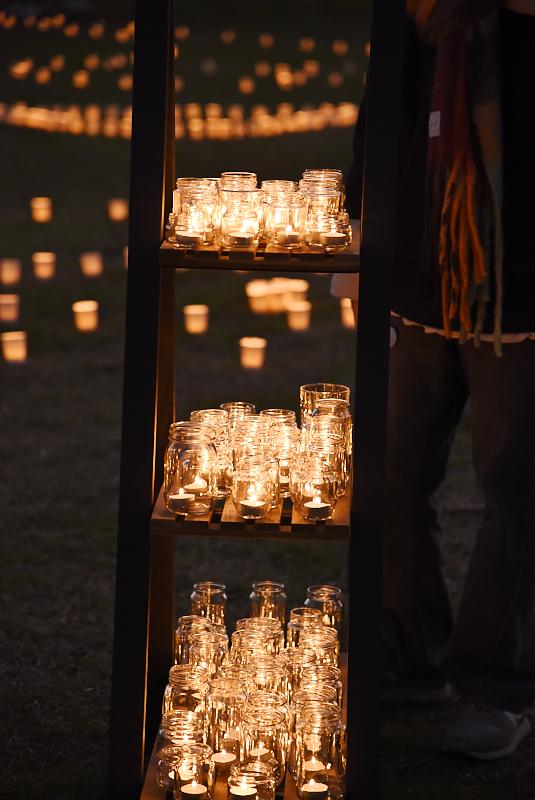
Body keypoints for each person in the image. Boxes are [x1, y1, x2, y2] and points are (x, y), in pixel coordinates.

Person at [332, 0, 535, 759]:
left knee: (515, 487)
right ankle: (404, 649)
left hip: (520, 275)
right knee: (389, 472)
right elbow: (381, 111)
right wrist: (360, 237)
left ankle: (498, 682)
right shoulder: (415, 9)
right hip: (416, 262)